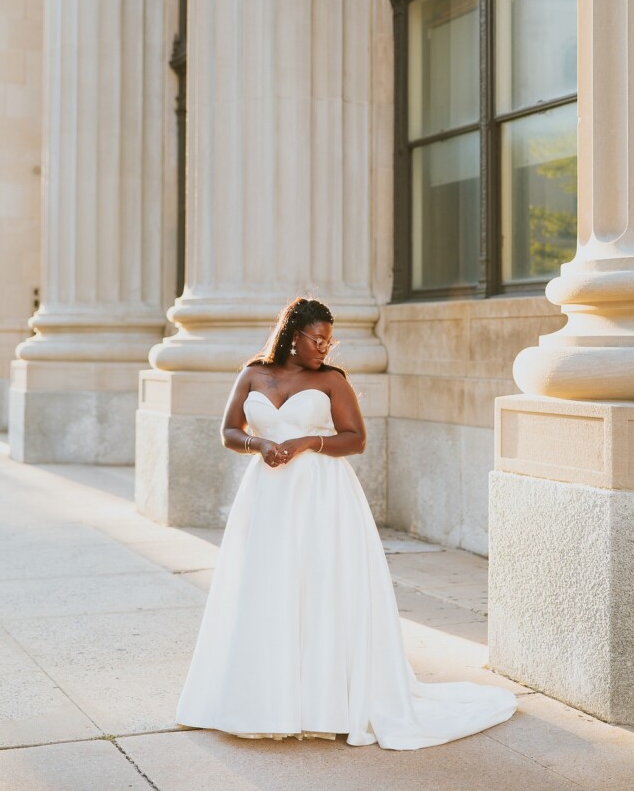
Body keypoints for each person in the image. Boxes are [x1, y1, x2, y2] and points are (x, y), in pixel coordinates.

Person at [174, 297, 517, 750]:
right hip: (267, 497)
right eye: (316, 339)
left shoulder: (332, 381)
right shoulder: (253, 373)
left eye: (328, 341)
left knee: (320, 587)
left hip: (322, 496)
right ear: (292, 335)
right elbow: (228, 432)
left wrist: (307, 441)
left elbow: (355, 439)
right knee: (266, 587)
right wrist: (259, 444)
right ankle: (262, 698)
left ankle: (324, 702)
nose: (323, 348)